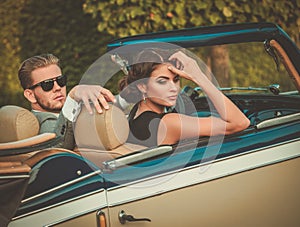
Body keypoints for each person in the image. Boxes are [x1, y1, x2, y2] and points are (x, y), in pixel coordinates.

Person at [119, 49, 250, 147]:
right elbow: (239, 123)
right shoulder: (168, 123)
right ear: (142, 86)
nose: (174, 88)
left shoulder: (136, 113)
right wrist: (198, 76)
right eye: (162, 81)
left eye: (176, 80)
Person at [18, 53, 115, 149]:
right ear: (30, 95)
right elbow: (56, 148)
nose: (57, 88)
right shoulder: (42, 122)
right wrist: (72, 97)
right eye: (47, 84)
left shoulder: (69, 112)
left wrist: (124, 98)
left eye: (61, 81)